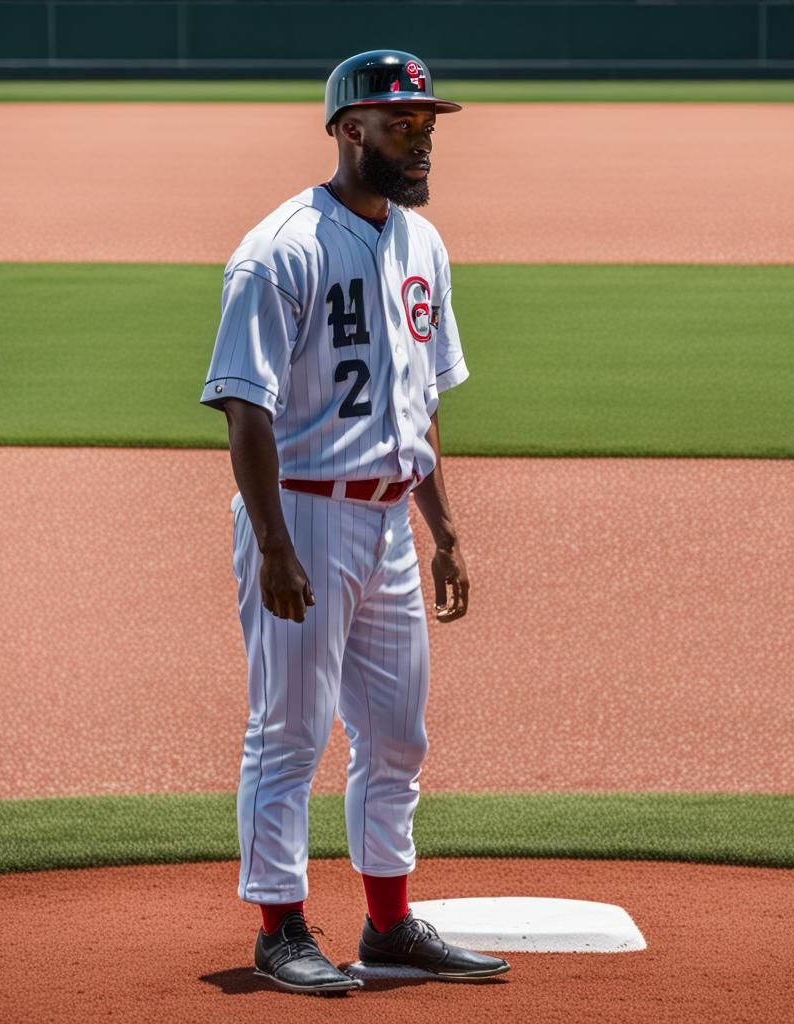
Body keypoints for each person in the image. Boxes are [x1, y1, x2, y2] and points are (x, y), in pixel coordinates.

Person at [200, 49, 510, 994]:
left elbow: (422, 401)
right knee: (289, 732)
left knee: (397, 735)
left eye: (426, 125)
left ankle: (388, 924)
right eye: (400, 124)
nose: (421, 141)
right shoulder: (280, 250)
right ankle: (280, 927)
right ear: (348, 130)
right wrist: (275, 544)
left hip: (388, 528)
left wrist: (444, 532)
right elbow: (244, 406)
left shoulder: (424, 244)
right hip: (301, 515)